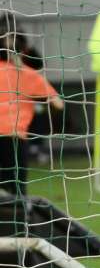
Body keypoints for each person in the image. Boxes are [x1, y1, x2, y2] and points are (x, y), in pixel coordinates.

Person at [0, 32, 64, 202]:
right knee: (17, 191)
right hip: (14, 137)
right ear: (23, 51)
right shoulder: (28, 74)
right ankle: (20, 226)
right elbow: (58, 104)